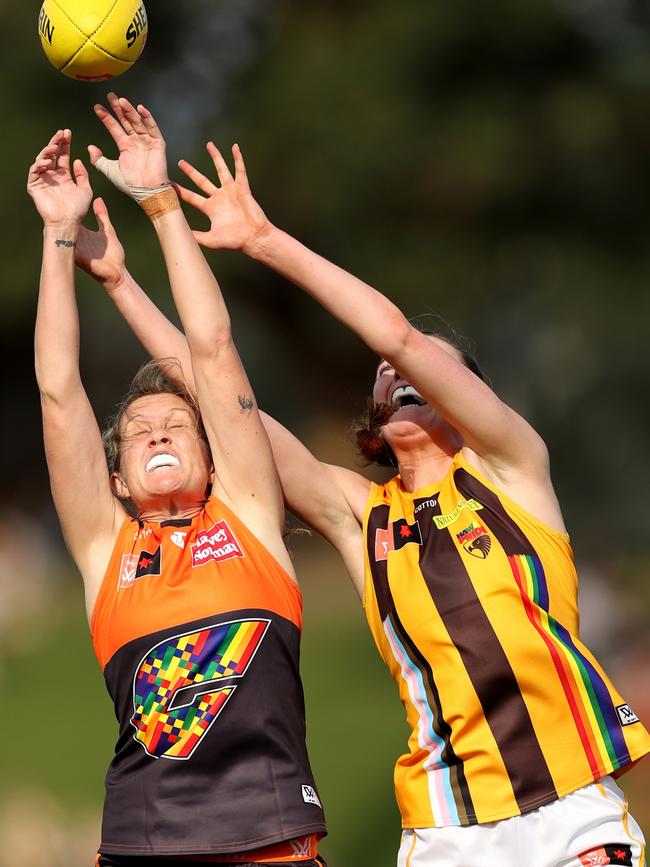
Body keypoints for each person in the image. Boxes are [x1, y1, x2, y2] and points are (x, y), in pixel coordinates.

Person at [84, 139, 649, 867]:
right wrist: (119, 281)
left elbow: (397, 334)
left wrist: (263, 239)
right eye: (386, 377)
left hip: (571, 806)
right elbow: (221, 392)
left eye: (426, 367)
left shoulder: (513, 468)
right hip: (447, 824)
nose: (399, 368)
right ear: (377, 417)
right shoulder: (364, 515)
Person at [27, 98, 327, 867]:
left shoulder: (251, 512)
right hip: (143, 843)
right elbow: (59, 392)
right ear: (118, 478)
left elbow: (213, 345)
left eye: (177, 424)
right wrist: (59, 233)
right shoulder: (106, 548)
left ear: (215, 452)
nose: (158, 430)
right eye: (137, 430)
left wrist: (159, 201)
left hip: (273, 840)